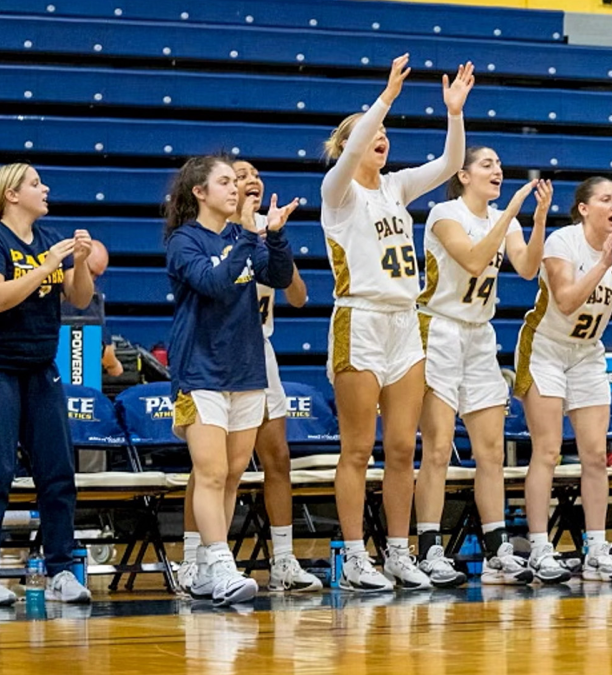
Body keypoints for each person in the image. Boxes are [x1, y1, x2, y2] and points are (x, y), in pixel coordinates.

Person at [320, 55, 473, 592]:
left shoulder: (397, 188)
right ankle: (355, 555)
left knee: (403, 449)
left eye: (386, 132)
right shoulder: (337, 194)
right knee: (358, 449)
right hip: (359, 319)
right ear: (350, 146)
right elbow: (355, 144)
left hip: (405, 322)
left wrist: (454, 112)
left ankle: (399, 552)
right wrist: (384, 98)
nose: (381, 138)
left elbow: (452, 162)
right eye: (372, 133)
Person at [176, 159, 321, 594]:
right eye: (224, 181)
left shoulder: (245, 236)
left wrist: (275, 237)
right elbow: (216, 282)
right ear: (200, 192)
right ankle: (215, 563)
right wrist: (248, 237)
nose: (235, 188)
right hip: (200, 369)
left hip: (248, 367)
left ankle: (210, 567)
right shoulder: (185, 240)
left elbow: (279, 277)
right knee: (211, 471)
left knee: (234, 470)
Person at [0, 163, 95, 606]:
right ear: (11, 195)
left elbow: (79, 297)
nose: (45, 187)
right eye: (35, 183)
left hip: (37, 366)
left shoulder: (50, 239)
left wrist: (81, 264)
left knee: (58, 471)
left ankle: (59, 571)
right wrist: (46, 265)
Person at [414, 146, 549, 587]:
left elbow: (528, 268)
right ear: (464, 174)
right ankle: (429, 548)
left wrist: (539, 218)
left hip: (479, 335)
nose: (498, 169)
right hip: (439, 330)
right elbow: (473, 260)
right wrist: (510, 212)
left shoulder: (498, 218)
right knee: (436, 449)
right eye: (487, 164)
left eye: (499, 163)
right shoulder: (443, 213)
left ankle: (497, 551)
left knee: (490, 450)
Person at [515, 176, 612, 583]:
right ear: (583, 208)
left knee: (596, 455)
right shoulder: (562, 242)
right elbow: (565, 300)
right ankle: (541, 548)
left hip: (587, 354)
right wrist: (601, 264)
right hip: (544, 348)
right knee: (546, 451)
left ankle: (596, 547)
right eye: (606, 199)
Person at [62, 240, 124, 379]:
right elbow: (104, 351)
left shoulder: (92, 293)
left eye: (97, 276)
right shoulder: (87, 296)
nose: (92, 280)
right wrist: (114, 366)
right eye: (91, 272)